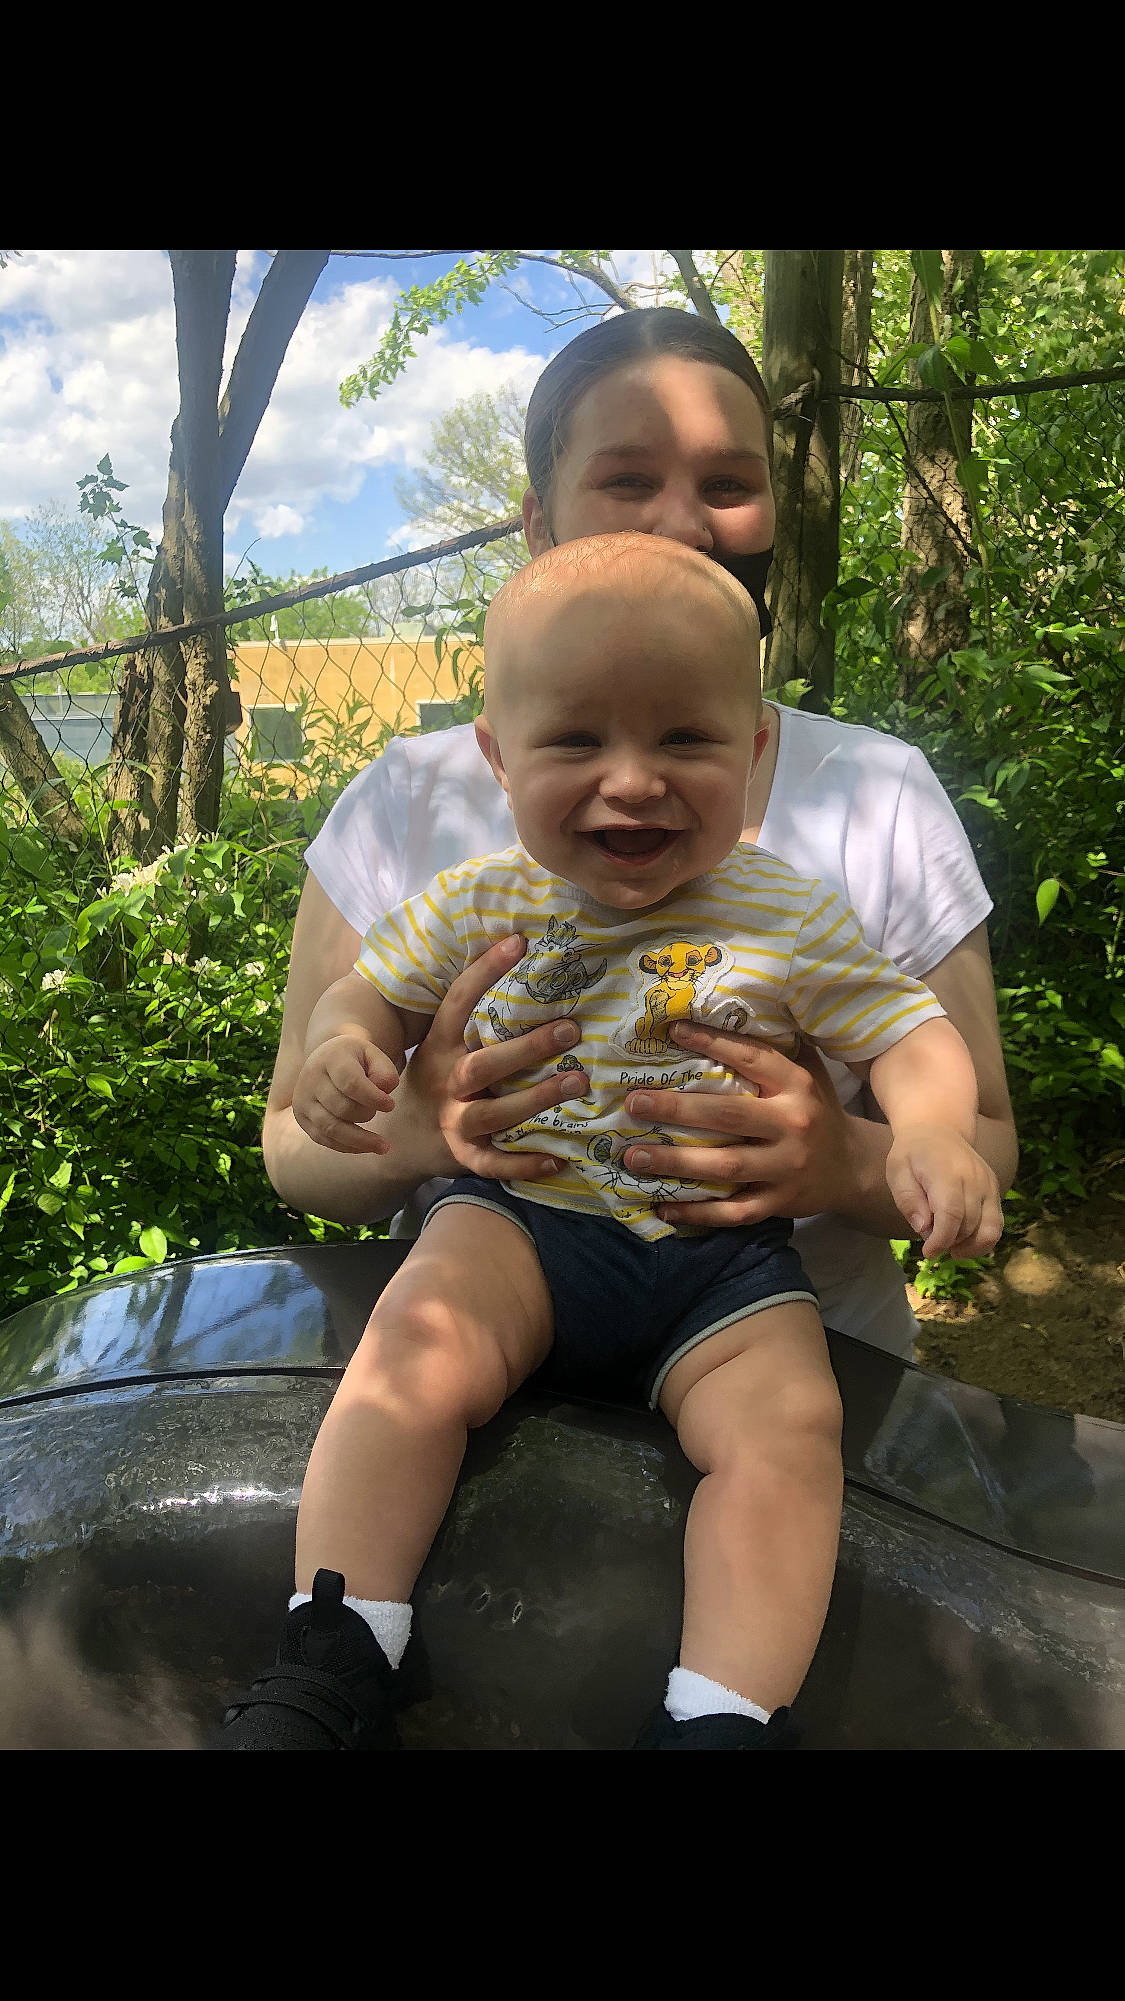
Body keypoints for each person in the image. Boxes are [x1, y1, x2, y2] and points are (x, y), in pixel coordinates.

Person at [218, 534, 1002, 1751]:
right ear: (497, 758)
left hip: (723, 1257)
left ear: (750, 753)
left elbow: (912, 1032)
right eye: (577, 742)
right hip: (520, 1222)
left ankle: (723, 1716)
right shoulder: (482, 898)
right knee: (409, 1352)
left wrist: (936, 1128)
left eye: (684, 740)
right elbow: (366, 993)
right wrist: (342, 1050)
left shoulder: (788, 908)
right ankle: (334, 1645)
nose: (631, 781)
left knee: (790, 1432)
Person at [261, 307, 1017, 1366]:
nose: (683, 520)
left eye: (728, 483)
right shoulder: (407, 801)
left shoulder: (880, 793)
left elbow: (981, 1138)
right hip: (487, 1356)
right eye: (627, 479)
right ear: (537, 521)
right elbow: (294, 1142)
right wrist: (413, 1136)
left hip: (805, 1353)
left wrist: (842, 1162)